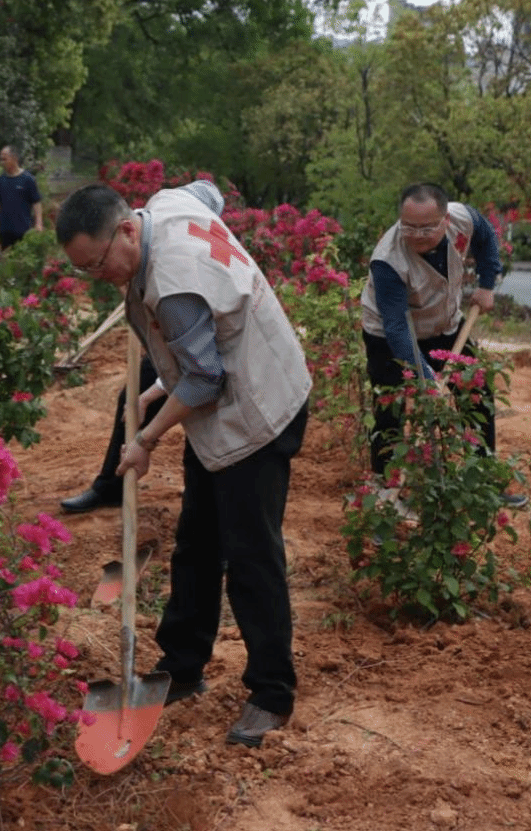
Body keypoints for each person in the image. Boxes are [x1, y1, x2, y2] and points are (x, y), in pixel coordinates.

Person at [57, 181, 311, 748]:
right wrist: (160, 387)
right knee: (197, 541)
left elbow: (205, 377)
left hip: (256, 408)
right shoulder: (171, 203)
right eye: (85, 270)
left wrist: (146, 439)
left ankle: (272, 693)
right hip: (222, 401)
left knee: (251, 556)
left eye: (98, 264)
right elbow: (210, 194)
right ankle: (182, 666)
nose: (99, 277)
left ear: (127, 230)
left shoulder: (174, 286)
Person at [360, 183, 525, 508]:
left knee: (477, 395)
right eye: (409, 227)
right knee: (390, 409)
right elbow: (397, 328)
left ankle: (484, 483)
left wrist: (487, 284)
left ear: (445, 220)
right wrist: (425, 378)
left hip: (444, 322)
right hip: (388, 335)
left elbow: (486, 236)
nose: (417, 235)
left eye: (427, 228)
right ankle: (386, 495)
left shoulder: (463, 218)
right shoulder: (388, 260)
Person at [59, 354, 165, 513]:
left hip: (198, 367)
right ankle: (112, 486)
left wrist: (147, 399)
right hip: (175, 351)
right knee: (132, 399)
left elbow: (192, 376)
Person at [0, 145, 42, 250]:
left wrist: (38, 224)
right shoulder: (0, 181)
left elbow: (36, 202)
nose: (2, 162)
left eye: (4, 159)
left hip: (23, 230)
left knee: (22, 257)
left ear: (14, 158)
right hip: (5, 230)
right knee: (5, 257)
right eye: (1, 159)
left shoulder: (28, 179)